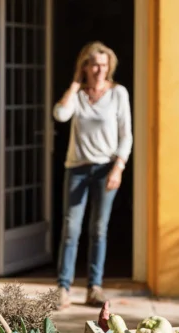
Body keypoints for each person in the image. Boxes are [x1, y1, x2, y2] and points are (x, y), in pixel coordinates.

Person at [52, 41, 133, 309]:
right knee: (71, 228)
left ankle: (93, 288)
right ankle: (63, 288)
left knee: (99, 229)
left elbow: (126, 135)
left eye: (103, 64)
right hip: (76, 168)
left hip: (105, 169)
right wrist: (75, 85)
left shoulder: (118, 93)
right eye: (94, 64)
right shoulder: (78, 95)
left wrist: (118, 167)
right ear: (85, 67)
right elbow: (61, 114)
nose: (99, 69)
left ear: (109, 66)